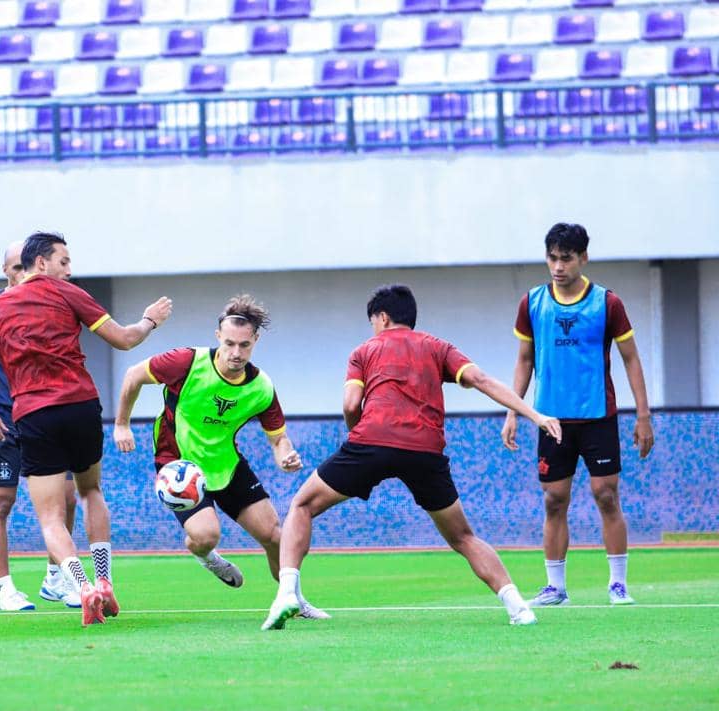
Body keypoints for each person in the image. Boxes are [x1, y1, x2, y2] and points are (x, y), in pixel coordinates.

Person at [263, 285, 560, 631]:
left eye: (373, 320)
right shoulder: (437, 347)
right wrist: (536, 416)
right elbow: (480, 379)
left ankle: (287, 594)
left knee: (302, 506)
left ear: (383, 317)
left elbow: (349, 404)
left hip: (370, 442)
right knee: (463, 537)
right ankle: (518, 608)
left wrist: (357, 438)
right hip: (425, 450)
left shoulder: (364, 351)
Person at [0, 231, 172, 626]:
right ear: (42, 263)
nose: (70, 269)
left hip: (34, 414)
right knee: (91, 492)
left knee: (50, 518)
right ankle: (103, 581)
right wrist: (150, 320)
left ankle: (83, 586)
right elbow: (123, 339)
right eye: (64, 261)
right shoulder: (70, 295)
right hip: (82, 406)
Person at [112, 295, 328, 619]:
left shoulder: (261, 388)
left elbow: (278, 438)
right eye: (229, 343)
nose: (236, 353)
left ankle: (293, 600)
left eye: (244, 345)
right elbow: (132, 375)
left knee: (274, 535)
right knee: (205, 536)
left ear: (255, 340)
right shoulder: (186, 362)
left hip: (226, 464)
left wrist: (285, 455)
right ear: (218, 338)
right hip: (179, 464)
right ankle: (207, 557)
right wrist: (121, 425)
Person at [502, 223, 654, 607]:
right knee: (554, 501)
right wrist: (513, 412)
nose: (557, 266)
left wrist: (643, 416)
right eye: (551, 258)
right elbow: (523, 361)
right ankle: (556, 588)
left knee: (606, 495)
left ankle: (617, 584)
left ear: (583, 258)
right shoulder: (532, 303)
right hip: (550, 420)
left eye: (565, 258)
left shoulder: (607, 303)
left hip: (597, 416)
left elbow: (631, 358)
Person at [0, 241, 81, 612]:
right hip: (1, 419)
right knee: (1, 502)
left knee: (68, 498)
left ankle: (55, 579)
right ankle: (5, 588)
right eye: (14, 268)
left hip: (44, 416)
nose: (21, 274)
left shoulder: (48, 305)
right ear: (6, 271)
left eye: (24, 268)